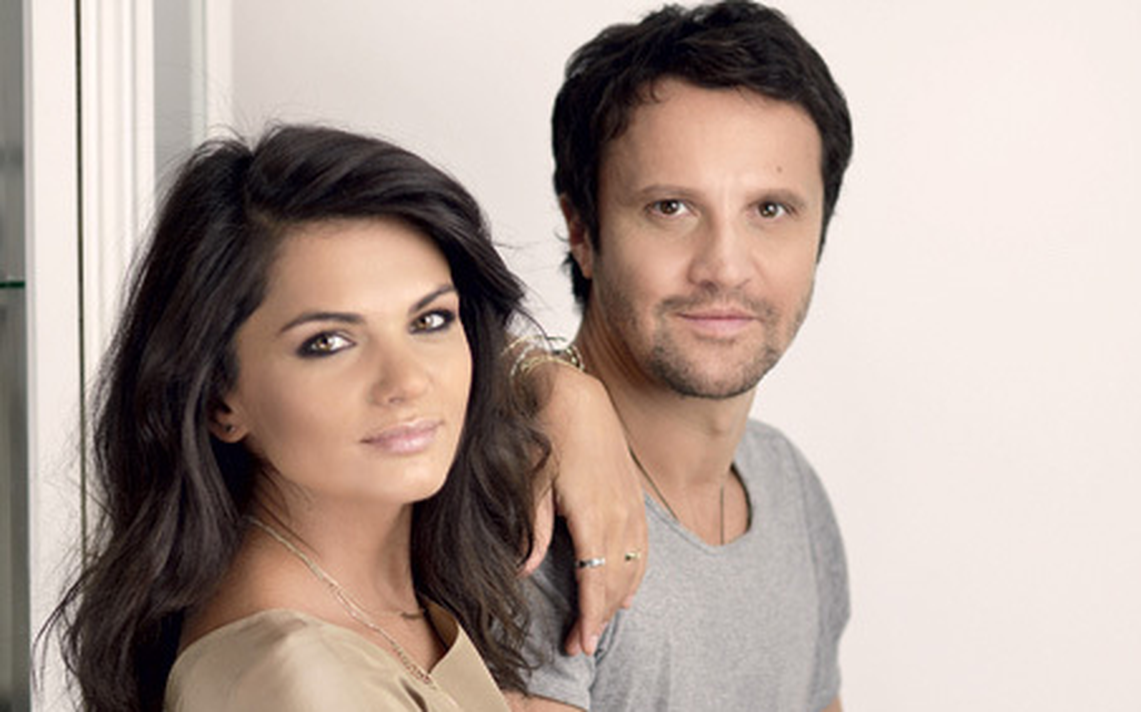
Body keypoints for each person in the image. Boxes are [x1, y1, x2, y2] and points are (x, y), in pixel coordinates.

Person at [41, 124, 628, 712]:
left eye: (429, 321)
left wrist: (568, 390)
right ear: (221, 400)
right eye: (328, 343)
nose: (407, 381)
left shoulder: (391, 600)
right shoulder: (294, 680)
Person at [514, 2, 853, 710]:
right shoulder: (531, 509)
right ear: (582, 229)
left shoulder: (788, 487)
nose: (724, 267)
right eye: (671, 208)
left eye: (770, 210)